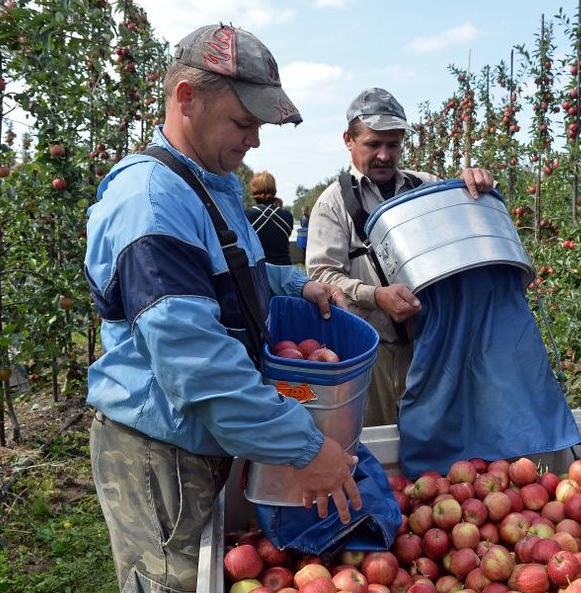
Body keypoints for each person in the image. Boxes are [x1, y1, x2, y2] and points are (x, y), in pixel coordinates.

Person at [83, 24, 362, 593]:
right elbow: (197, 364)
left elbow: (230, 275)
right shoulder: (152, 202)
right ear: (187, 98)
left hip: (200, 441)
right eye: (244, 121)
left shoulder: (207, 186)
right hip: (161, 453)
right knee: (173, 582)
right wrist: (307, 448)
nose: (255, 141)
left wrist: (293, 283)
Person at [306, 88, 495, 427]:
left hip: (429, 348)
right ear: (349, 139)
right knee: (376, 441)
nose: (383, 155)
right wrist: (376, 296)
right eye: (373, 144)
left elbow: (466, 211)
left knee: (434, 444)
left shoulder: (425, 189)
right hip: (370, 352)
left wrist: (476, 182)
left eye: (392, 145)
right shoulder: (333, 204)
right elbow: (322, 276)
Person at [246, 170, 295, 264]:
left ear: (253, 189)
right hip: (284, 270)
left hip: (260, 270)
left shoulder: (247, 215)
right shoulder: (287, 216)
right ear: (274, 189)